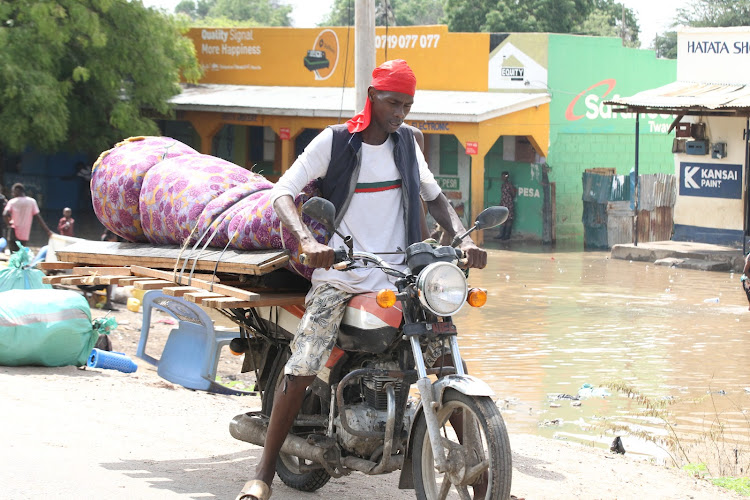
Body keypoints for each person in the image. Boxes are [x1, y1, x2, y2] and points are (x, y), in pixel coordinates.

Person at [236, 59, 488, 500]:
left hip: (404, 273)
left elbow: (436, 200)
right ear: (372, 97)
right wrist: (306, 242)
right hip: (345, 275)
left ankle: (486, 478)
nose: (401, 113)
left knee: (447, 363)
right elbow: (282, 191)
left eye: (407, 105)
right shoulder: (336, 141)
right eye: (394, 102)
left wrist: (464, 239)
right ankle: (261, 474)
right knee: (303, 366)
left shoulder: (408, 144)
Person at [3, 183, 52, 252]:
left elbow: (5, 214)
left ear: (17, 190)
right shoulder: (32, 202)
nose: (12, 193)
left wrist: (8, 224)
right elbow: (38, 217)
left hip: (13, 230)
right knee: (21, 254)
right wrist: (48, 231)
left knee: (13, 254)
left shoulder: (12, 202)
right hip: (24, 233)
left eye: (13, 191)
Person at [495, 171, 517, 241]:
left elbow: (513, 194)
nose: (502, 177)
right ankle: (502, 234)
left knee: (509, 219)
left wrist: (508, 199)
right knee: (503, 219)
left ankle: (507, 235)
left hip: (508, 204)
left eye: (503, 176)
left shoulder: (509, 185)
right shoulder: (503, 185)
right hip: (503, 204)